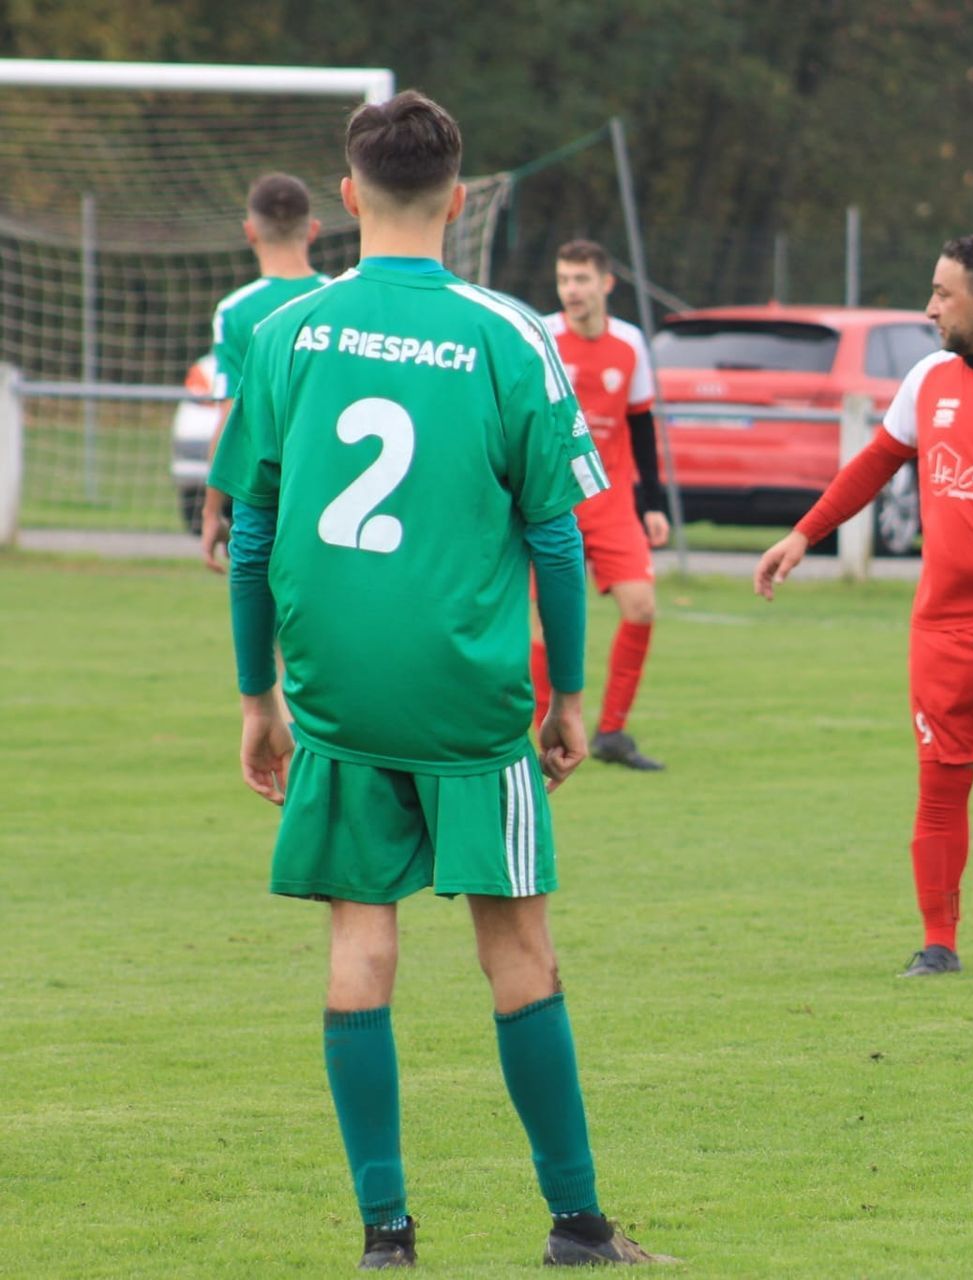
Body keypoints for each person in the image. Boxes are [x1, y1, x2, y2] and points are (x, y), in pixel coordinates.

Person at [209, 90, 675, 1269]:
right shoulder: (509, 334)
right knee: (519, 950)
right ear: (461, 201)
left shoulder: (287, 332)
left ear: (349, 198)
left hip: (338, 694)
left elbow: (251, 533)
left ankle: (386, 1232)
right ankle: (575, 1223)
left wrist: (257, 693)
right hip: (470, 699)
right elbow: (562, 537)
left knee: (359, 947)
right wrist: (569, 694)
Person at [755, 234, 973, 979]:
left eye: (941, 294)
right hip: (946, 622)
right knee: (941, 780)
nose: (929, 308)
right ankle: (939, 943)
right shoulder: (929, 379)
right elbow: (875, 465)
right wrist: (803, 534)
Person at [535, 239, 670, 771]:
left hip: (611, 499)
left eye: (582, 280)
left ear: (606, 284)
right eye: (565, 280)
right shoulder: (541, 335)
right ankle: (545, 735)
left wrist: (652, 503)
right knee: (547, 624)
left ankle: (612, 732)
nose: (572, 290)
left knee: (642, 606)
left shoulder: (631, 343)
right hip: (554, 499)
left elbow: (640, 426)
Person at [200, 173, 329, 572]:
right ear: (313, 230)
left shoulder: (236, 310)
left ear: (249, 231)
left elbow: (230, 415)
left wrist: (210, 512)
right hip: (331, 491)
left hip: (263, 499)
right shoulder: (340, 300)